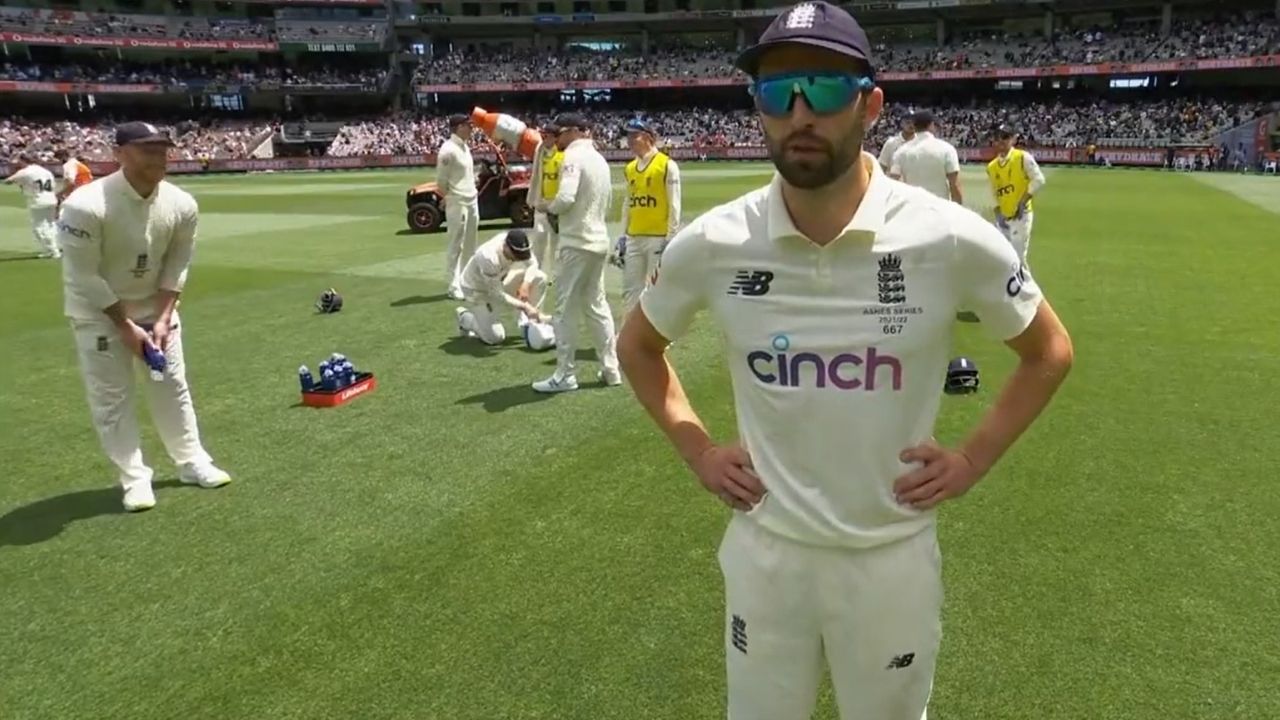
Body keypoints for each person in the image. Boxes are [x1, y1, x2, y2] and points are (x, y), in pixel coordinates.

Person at [615, 3, 1074, 719]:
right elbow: (638, 346)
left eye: (825, 89)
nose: (799, 112)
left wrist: (973, 459)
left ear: (872, 104)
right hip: (767, 556)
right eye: (776, 93)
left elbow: (1048, 351)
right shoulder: (714, 242)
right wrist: (698, 450)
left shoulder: (949, 237)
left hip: (890, 558)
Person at [57, 121, 232, 512]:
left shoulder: (181, 203)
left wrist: (165, 315)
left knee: (171, 384)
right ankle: (134, 478)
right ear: (118, 153)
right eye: (145, 148)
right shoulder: (85, 205)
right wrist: (124, 326)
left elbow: (178, 262)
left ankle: (192, 461)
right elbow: (83, 275)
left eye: (162, 148)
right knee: (112, 398)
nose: (158, 155)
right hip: (98, 315)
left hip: (157, 312)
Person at [532, 113, 621, 393]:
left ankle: (565, 374)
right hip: (598, 239)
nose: (555, 139)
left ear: (574, 132)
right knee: (597, 305)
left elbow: (566, 198)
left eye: (559, 133)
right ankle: (611, 369)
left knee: (563, 309)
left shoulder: (572, 156)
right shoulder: (600, 159)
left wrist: (548, 206)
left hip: (576, 242)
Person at [617, 117, 682, 317]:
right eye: (627, 136)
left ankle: (659, 337)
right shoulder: (630, 168)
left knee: (657, 290)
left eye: (633, 136)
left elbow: (674, 203)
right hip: (634, 237)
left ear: (647, 137)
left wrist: (671, 236)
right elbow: (628, 203)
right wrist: (622, 235)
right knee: (631, 290)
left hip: (657, 237)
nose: (629, 141)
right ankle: (630, 336)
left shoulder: (666, 165)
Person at [455, 229, 548, 345]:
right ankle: (465, 318)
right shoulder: (488, 257)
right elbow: (496, 294)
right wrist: (525, 306)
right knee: (495, 338)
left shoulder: (518, 243)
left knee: (540, 278)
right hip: (477, 291)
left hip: (501, 280)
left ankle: (528, 324)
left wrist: (526, 284)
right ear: (506, 246)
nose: (519, 258)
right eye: (516, 255)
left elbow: (533, 264)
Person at [986, 125, 1045, 263]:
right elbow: (993, 192)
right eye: (997, 138)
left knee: (1018, 259)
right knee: (1004, 260)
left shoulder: (1022, 157)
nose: (1001, 141)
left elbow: (1039, 180)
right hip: (1003, 219)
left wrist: (1023, 201)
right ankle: (1014, 285)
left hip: (1021, 215)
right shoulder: (992, 166)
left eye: (1005, 137)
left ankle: (1025, 285)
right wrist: (998, 212)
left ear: (1013, 139)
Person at [437, 114, 480, 300]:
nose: (471, 129)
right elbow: (441, 180)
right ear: (459, 127)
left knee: (470, 244)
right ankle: (453, 286)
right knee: (456, 244)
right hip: (457, 200)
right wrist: (450, 196)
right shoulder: (448, 150)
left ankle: (467, 282)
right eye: (468, 126)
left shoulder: (464, 147)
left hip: (471, 199)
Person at [891, 110, 963, 204]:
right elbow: (955, 185)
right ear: (932, 125)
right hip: (940, 207)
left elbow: (893, 182)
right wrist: (957, 211)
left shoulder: (900, 152)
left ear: (914, 126)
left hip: (912, 207)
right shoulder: (947, 149)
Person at [4, 153, 60, 258]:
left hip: (37, 200)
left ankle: (53, 250)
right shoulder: (46, 171)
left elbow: (8, 180)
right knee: (50, 224)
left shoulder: (25, 171)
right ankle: (49, 250)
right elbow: (52, 186)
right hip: (51, 198)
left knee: (39, 227)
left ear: (23, 161)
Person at [528, 122, 564, 277]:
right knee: (539, 238)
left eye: (547, 136)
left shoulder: (563, 154)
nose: (543, 138)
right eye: (542, 135)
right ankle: (536, 271)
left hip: (557, 204)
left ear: (555, 137)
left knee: (556, 241)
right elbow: (536, 176)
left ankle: (555, 273)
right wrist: (533, 198)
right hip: (541, 203)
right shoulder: (540, 151)